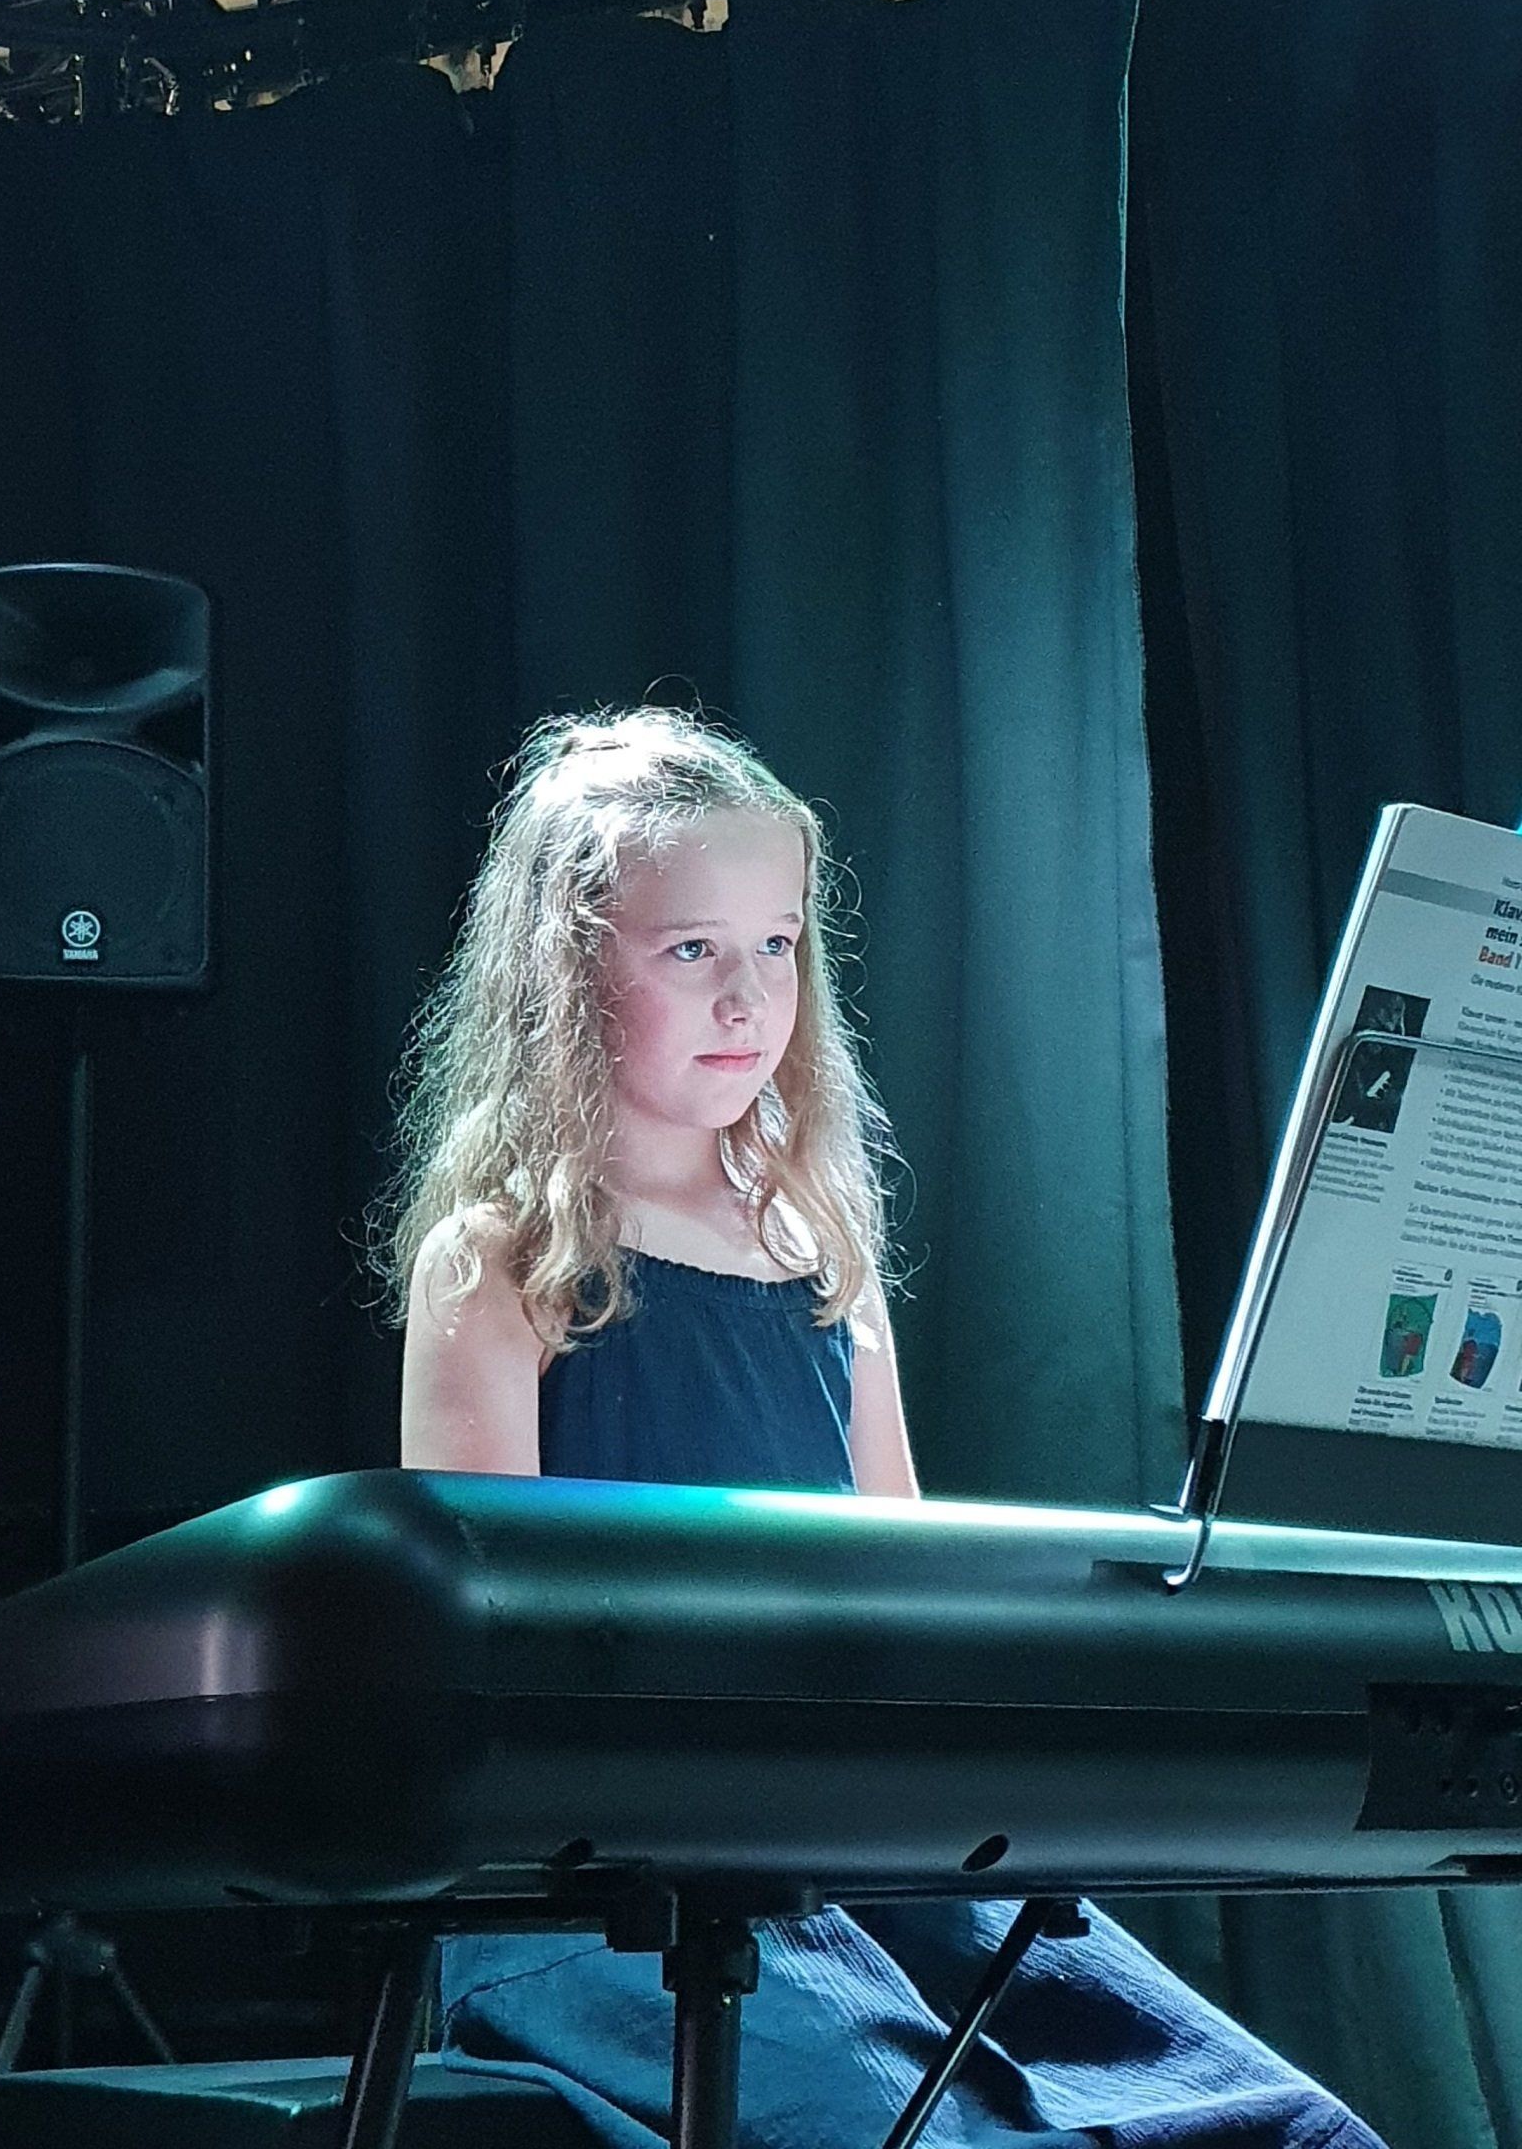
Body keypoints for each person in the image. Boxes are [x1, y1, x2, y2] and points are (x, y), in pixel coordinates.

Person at [375, 706, 1387, 2149]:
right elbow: (488, 1658)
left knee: (1283, 2125)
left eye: (776, 945)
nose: (748, 997)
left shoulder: (816, 1251)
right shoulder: (503, 1262)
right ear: (565, 970)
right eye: (691, 950)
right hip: (603, 1890)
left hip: (857, 1856)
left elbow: (903, 1595)